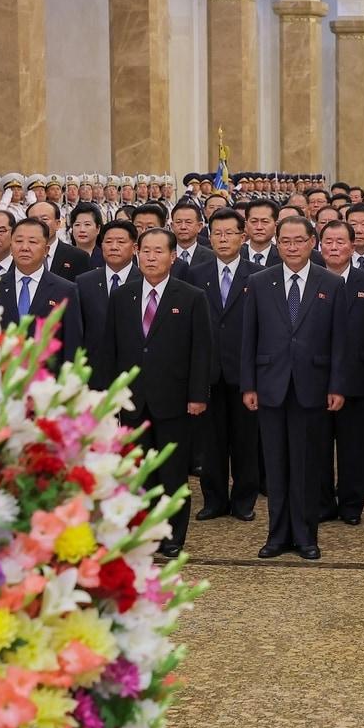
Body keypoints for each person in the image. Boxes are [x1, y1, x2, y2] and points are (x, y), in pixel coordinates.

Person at [98, 227, 212, 558]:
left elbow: (201, 350)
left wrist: (197, 395)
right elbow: (110, 348)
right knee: (137, 473)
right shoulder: (122, 296)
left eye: (158, 251)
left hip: (175, 401)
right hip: (132, 401)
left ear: (172, 257)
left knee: (173, 472)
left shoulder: (191, 296)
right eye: (145, 250)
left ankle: (173, 536)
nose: (151, 257)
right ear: (137, 253)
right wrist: (110, 394)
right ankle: (142, 531)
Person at [241, 218, 347, 561]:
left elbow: (339, 341)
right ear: (277, 243)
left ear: (312, 242)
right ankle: (277, 535)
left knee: (306, 464)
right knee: (275, 464)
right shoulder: (259, 282)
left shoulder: (330, 283)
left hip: (312, 387)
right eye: (284, 241)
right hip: (270, 385)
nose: (291, 247)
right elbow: (249, 339)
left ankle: (305, 535)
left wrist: (336, 385)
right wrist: (249, 385)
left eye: (298, 241)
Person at [318, 219, 364, 525]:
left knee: (354, 446)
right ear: (320, 247)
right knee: (319, 445)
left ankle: (350, 505)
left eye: (340, 242)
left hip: (359, 376)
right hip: (317, 376)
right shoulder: (311, 280)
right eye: (328, 242)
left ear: (353, 245)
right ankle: (322, 503)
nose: (334, 247)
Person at [193, 208, 262, 521]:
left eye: (230, 233)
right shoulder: (195, 274)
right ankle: (214, 499)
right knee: (211, 441)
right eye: (217, 233)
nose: (223, 239)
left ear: (242, 237)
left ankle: (244, 500)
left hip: (244, 371)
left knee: (246, 441)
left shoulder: (258, 277)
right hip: (208, 371)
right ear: (209, 237)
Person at [0, 217, 83, 368]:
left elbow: (72, 345)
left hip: (46, 381)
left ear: (46, 250)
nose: (24, 247)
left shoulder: (65, 290)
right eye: (18, 241)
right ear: (10, 246)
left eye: (33, 242)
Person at [77, 219, 140, 380]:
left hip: (136, 373)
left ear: (134, 248)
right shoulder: (83, 282)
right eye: (108, 241)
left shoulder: (145, 281)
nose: (113, 247)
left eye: (121, 242)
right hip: (93, 373)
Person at [26, 200, 93, 281]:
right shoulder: (19, 255)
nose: (39, 224)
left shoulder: (78, 257)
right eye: (33, 220)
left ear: (57, 224)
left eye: (44, 219)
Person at [171, 202, 216, 270]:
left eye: (188, 222)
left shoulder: (212, 257)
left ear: (199, 226)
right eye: (178, 222)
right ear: (172, 226)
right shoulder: (164, 255)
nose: (183, 227)